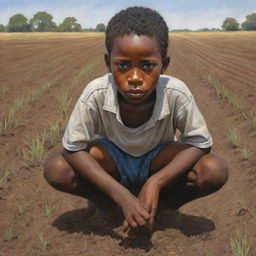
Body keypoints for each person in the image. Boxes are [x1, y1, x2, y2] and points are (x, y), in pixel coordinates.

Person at [44, 6, 228, 233]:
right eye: (122, 65)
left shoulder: (175, 93)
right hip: (113, 160)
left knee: (213, 170)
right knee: (57, 168)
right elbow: (72, 148)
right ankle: (108, 206)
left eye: (148, 66)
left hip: (157, 160)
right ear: (107, 62)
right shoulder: (96, 92)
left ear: (165, 65)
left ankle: (162, 207)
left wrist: (156, 182)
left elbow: (201, 143)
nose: (134, 78)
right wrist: (119, 195)